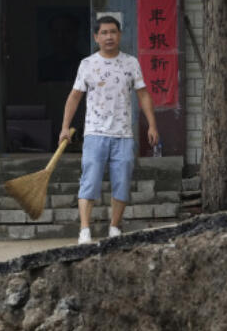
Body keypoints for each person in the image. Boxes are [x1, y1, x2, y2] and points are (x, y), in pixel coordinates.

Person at [60, 16, 159, 245]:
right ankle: (84, 229)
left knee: (122, 181)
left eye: (113, 32)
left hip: (123, 134)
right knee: (90, 180)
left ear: (120, 35)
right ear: (96, 37)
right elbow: (75, 96)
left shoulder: (131, 63)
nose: (109, 37)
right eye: (103, 33)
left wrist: (152, 124)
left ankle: (114, 227)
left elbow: (143, 94)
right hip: (94, 133)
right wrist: (65, 127)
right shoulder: (87, 64)